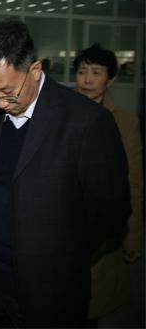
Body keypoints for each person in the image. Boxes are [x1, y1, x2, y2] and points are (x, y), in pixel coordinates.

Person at [0, 20, 131, 327]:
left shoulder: (86, 122)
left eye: (8, 92)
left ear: (35, 70)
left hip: (50, 290)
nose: (1, 103)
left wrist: (62, 252)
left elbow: (112, 211)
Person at [74, 44, 143, 322]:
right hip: (63, 222)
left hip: (101, 230)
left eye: (96, 73)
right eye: (82, 72)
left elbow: (133, 181)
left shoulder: (125, 122)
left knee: (93, 303)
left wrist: (132, 237)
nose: (88, 80)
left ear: (110, 79)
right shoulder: (59, 112)